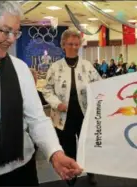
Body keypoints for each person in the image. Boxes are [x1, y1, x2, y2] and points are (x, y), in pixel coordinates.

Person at [0, 1, 82, 186]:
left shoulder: (19, 69)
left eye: (16, 32)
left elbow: (37, 119)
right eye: (5, 31)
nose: (11, 39)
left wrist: (55, 153)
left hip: (22, 170)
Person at [42, 29, 101, 186]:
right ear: (63, 45)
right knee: (68, 147)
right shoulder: (55, 67)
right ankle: (71, 176)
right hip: (63, 116)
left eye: (77, 44)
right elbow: (47, 90)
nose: (74, 47)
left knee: (87, 145)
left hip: (84, 114)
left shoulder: (87, 66)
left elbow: (99, 84)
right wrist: (57, 103)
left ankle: (91, 171)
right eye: (70, 44)